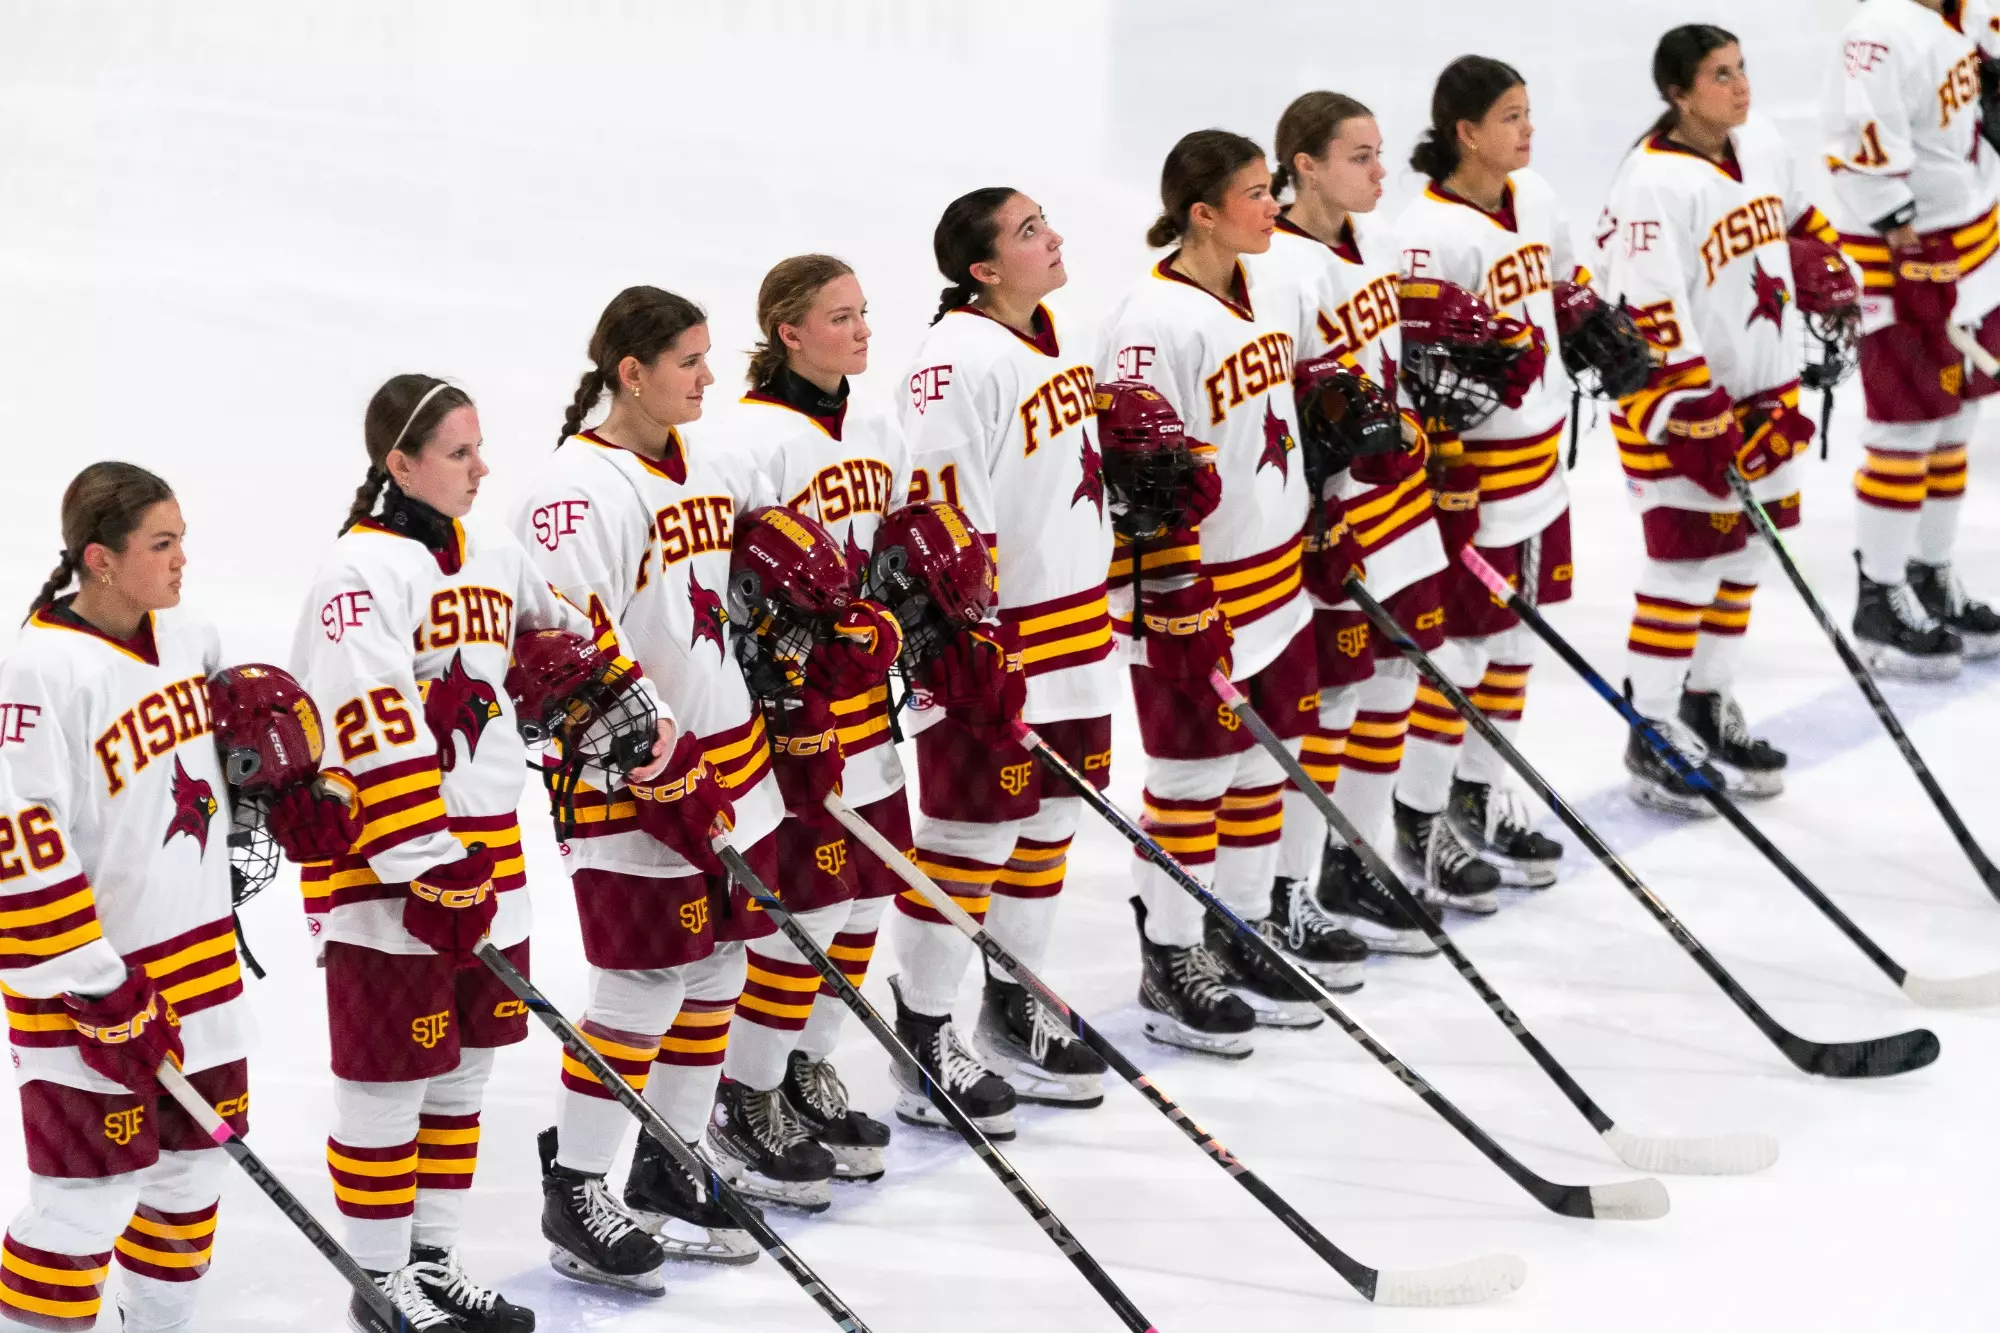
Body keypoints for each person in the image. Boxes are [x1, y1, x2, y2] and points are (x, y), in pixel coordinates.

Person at [293, 375, 668, 1329]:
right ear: (400, 464)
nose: (481, 467)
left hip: (489, 852)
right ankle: (379, 1283)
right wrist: (424, 853)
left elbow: (576, 640)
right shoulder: (357, 576)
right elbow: (366, 720)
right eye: (459, 452)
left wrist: (662, 735)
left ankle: (432, 1260)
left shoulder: (496, 552)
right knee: (388, 1081)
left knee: (462, 1070)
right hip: (385, 864)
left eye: (479, 447)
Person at [515, 287, 807, 1277]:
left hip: (734, 761)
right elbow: (564, 659)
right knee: (641, 980)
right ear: (629, 373)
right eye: (689, 359)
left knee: (722, 964)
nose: (709, 376)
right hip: (629, 781)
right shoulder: (572, 493)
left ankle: (669, 1167)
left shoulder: (708, 464)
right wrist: (652, 757)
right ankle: (579, 1187)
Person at [0, 464, 251, 1333]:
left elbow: (246, 753)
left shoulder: (188, 637)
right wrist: (96, 983)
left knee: (188, 1187)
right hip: (86, 995)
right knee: (84, 1205)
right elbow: (20, 849)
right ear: (100, 560)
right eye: (163, 542)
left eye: (182, 537)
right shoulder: (39, 671)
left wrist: (294, 787)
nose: (183, 558)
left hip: (202, 975)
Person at [887, 188, 1114, 1125]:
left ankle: (1014, 996)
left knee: (1051, 823)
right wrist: (967, 647)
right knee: (969, 838)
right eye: (1028, 233)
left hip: (1078, 629)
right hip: (995, 641)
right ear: (982, 270)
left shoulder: (1047, 331)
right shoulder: (955, 358)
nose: (1053, 237)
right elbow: (942, 519)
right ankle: (924, 1030)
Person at [1098, 129, 1323, 1049]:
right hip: (1197, 590)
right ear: (1202, 211)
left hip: (1278, 574)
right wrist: (1173, 592)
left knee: (1266, 761)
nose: (1274, 205)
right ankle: (1173, 949)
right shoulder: (1150, 321)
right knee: (1192, 779)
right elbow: (1133, 472)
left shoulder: (1268, 288)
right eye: (1256, 192)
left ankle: (1241, 922)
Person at [1599, 26, 1851, 810]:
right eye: (1720, 75)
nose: (1741, 86)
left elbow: (1805, 222)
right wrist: (1689, 405)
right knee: (1684, 565)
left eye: (1743, 69)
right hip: (1686, 407)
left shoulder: (1763, 143)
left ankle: (1707, 699)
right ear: (1678, 93)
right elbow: (1644, 301)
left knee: (1747, 554)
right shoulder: (1652, 183)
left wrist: (1827, 265)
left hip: (1765, 397)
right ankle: (1653, 726)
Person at [717, 255, 910, 1185]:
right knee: (811, 904)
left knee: (872, 891)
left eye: (865, 312)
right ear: (789, 332)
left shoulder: (877, 423)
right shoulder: (748, 442)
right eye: (842, 316)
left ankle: (805, 1064)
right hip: (798, 716)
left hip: (872, 696)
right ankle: (745, 1090)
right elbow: (726, 589)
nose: (865, 328)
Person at [1250, 89, 1448, 957]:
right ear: (1304, 165)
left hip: (1396, 508)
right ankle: (1293, 884)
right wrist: (1319, 516)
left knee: (1393, 684)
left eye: (1379, 153)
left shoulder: (1361, 246)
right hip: (1336, 527)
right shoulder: (1283, 268)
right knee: (1328, 704)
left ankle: (1353, 859)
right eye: (1360, 155)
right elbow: (1279, 412)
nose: (1381, 169)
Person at [1393, 55, 1580, 907]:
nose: (1528, 130)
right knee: (1461, 653)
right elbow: (1414, 373)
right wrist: (1443, 470)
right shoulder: (1424, 235)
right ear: (1465, 132)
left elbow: (1564, 288)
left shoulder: (1533, 199)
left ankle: (1478, 789)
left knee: (1514, 646)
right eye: (1511, 116)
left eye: (1529, 111)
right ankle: (1419, 815)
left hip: (1543, 462)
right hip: (1474, 480)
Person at [1825, 0, 2000, 677]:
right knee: (1906, 430)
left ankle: (1929, 575)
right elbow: (1861, 151)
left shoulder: (1963, 13)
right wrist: (1904, 244)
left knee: (1956, 418)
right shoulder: (1878, 31)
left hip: (1973, 253)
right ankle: (1881, 594)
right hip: (1913, 261)